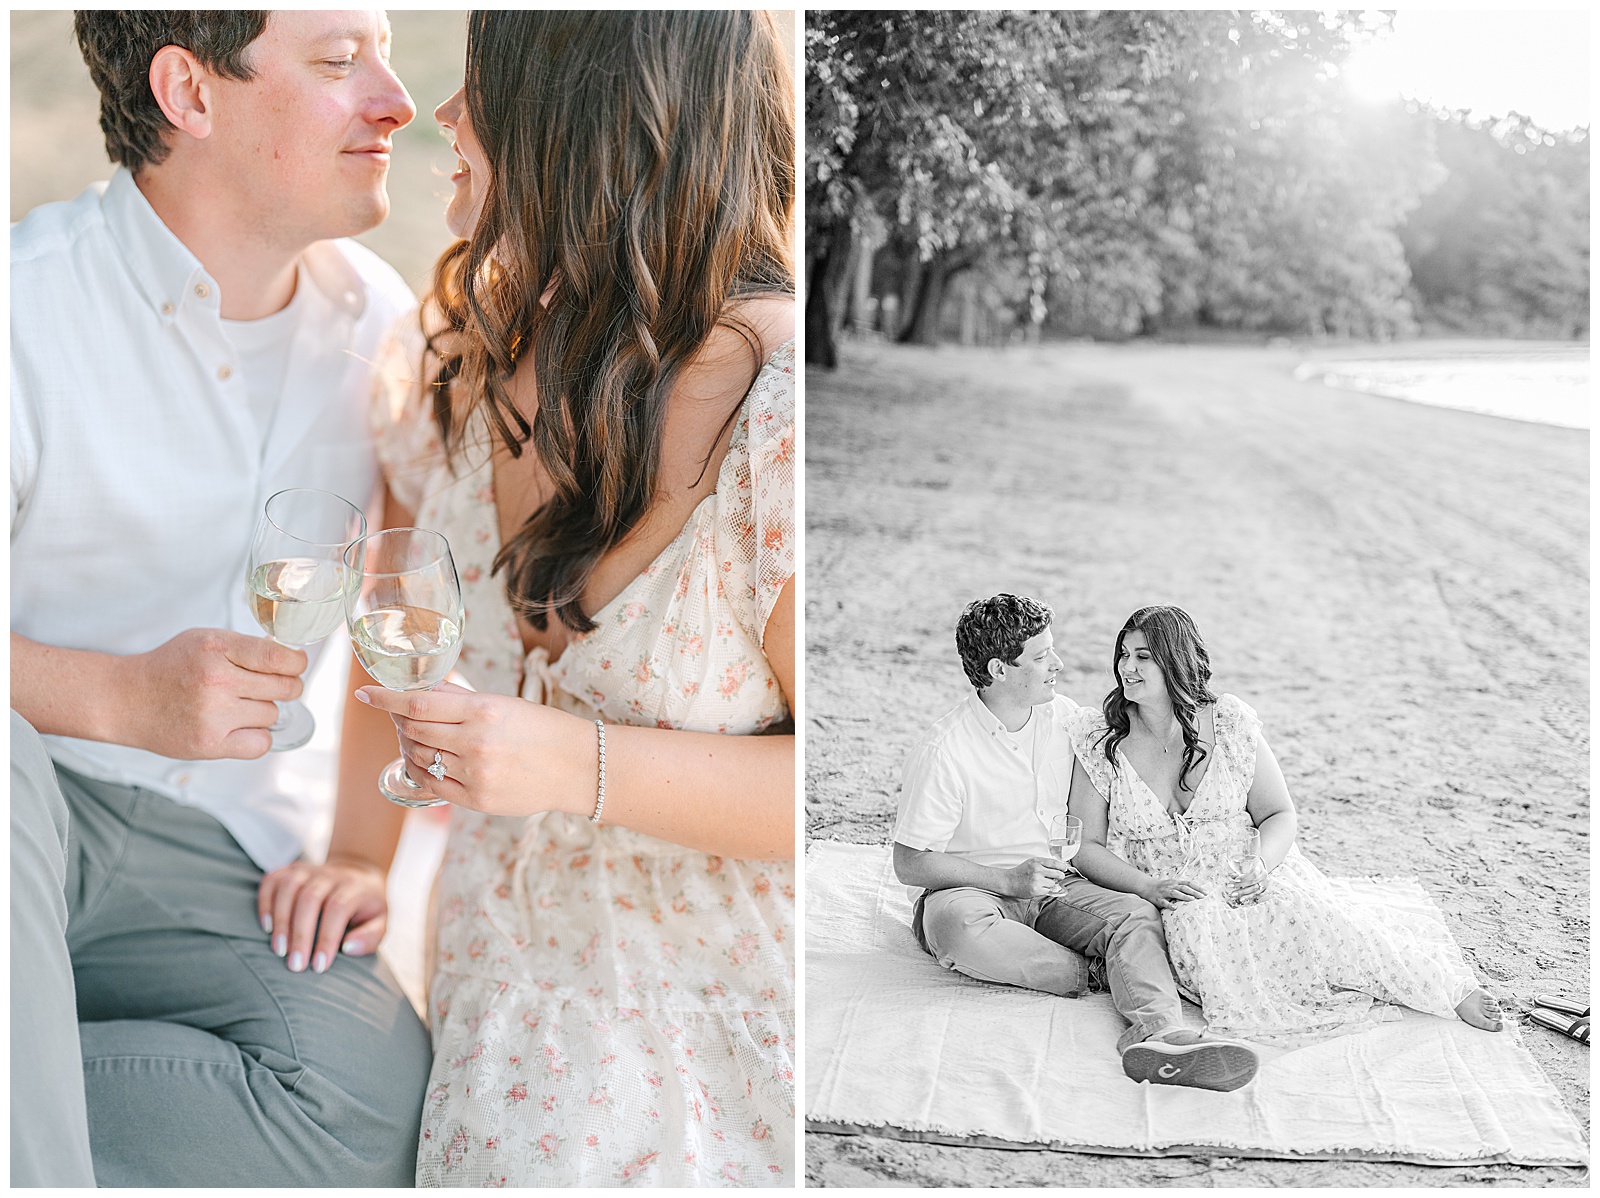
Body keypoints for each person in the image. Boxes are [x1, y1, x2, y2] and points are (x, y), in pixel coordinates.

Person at [277, 10, 797, 1185]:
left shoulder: (779, 417)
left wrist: (573, 765)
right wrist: (360, 857)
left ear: (597, 130)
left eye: (484, 91)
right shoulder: (452, 359)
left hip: (720, 1020)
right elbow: (392, 634)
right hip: (496, 991)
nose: (441, 118)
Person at [10, 11, 431, 1187]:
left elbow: (402, 622)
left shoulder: (384, 329)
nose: (396, 101)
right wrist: (119, 695)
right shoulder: (21, 312)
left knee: (372, 1104)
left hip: (222, 860)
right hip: (33, 804)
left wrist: (357, 853)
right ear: (190, 94)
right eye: (343, 64)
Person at [1064, 605, 1505, 1045]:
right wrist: (1147, 886)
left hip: (1245, 862)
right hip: (1169, 882)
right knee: (1205, 929)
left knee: (1319, 921)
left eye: (1143, 656)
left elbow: (1279, 813)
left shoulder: (1228, 722)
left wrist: (1260, 864)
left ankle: (1448, 989)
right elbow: (1085, 846)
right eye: (1123, 654)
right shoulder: (1102, 737)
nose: (1127, 667)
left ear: (1174, 660)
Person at [892, 594, 1261, 1092]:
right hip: (973, 891)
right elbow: (909, 863)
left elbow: (1141, 745)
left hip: (1058, 888)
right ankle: (1097, 971)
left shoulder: (1067, 719)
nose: (1058, 664)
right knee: (957, 928)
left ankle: (1160, 1035)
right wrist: (1005, 880)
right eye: (1042, 656)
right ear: (1000, 669)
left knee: (1135, 914)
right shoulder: (945, 749)